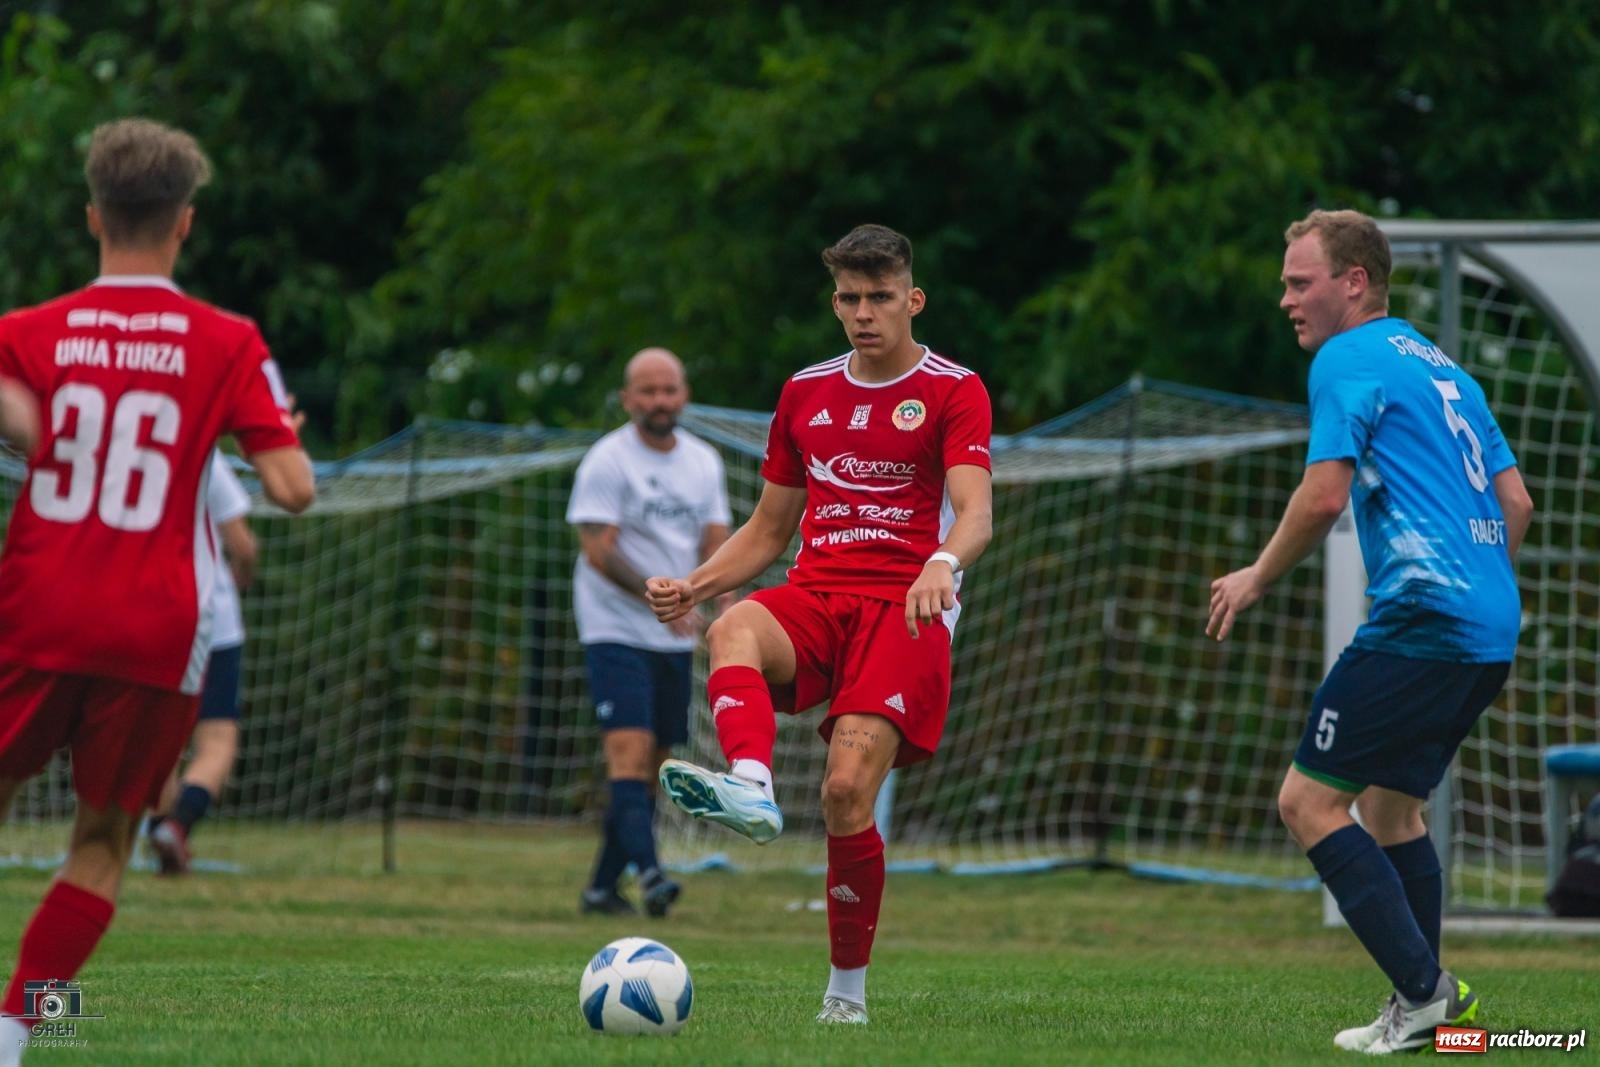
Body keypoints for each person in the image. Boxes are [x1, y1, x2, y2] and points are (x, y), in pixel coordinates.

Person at [0, 118, 314, 1064]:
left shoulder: (25, 330)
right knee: (101, 841)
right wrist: (267, 430)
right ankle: (18, 1030)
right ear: (184, 225)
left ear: (93, 214)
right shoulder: (226, 339)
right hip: (157, 625)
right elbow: (295, 489)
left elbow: (24, 427)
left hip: (36, 604)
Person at [646, 224, 993, 1024]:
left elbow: (975, 513)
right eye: (849, 297)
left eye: (880, 297)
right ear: (834, 300)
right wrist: (694, 585)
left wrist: (943, 563)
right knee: (731, 627)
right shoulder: (805, 391)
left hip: (904, 611)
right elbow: (769, 532)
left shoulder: (952, 387)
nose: (864, 312)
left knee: (844, 793)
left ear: (913, 299)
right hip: (817, 596)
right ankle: (753, 788)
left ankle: (846, 996)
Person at [1207, 209, 1533, 1055]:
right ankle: (1414, 1006)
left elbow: (1322, 497)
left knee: (1308, 800)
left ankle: (1428, 992)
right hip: (1491, 624)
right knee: (1393, 811)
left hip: (1425, 616)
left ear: (1355, 282)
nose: (1286, 298)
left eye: (1299, 281)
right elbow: (1518, 504)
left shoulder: (1347, 357)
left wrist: (1253, 576)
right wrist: (1479, 582)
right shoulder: (1444, 367)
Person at [568, 347, 732, 918]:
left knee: (656, 762)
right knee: (629, 754)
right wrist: (660, 594)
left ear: (684, 394)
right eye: (647, 391)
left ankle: (600, 888)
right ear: (627, 399)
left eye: (669, 390)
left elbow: (716, 546)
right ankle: (654, 876)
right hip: (614, 627)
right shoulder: (607, 461)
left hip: (675, 632)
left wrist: (725, 616)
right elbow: (597, 551)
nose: (660, 401)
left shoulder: (704, 462)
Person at [146, 450, 260, 874]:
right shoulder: (206, 458)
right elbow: (242, 543)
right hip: (212, 622)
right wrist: (244, 571)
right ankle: (177, 826)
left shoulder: (129, 448)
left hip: (149, 613)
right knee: (217, 739)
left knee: (160, 738)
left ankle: (158, 826)